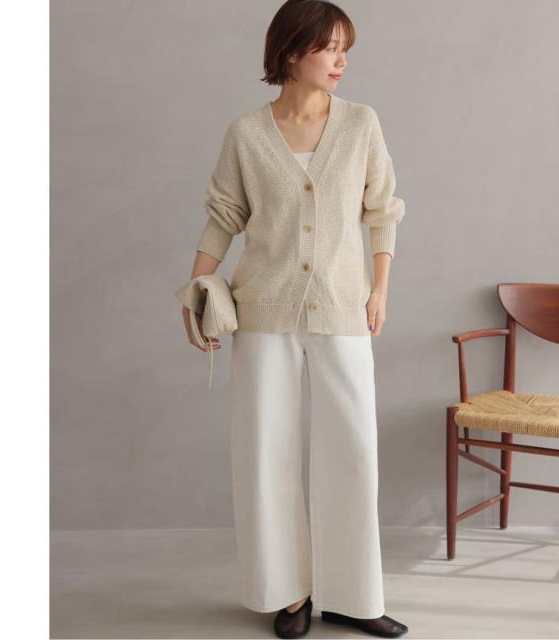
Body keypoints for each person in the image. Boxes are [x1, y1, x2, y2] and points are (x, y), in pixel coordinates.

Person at [181, 1, 408, 637]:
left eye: (345, 49)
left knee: (353, 450)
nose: (341, 60)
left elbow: (382, 211)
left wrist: (379, 289)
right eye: (329, 47)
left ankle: (355, 596)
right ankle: (289, 594)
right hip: (263, 311)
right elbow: (224, 216)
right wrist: (194, 290)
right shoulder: (247, 135)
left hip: (342, 306)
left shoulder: (361, 124)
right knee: (268, 451)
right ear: (290, 52)